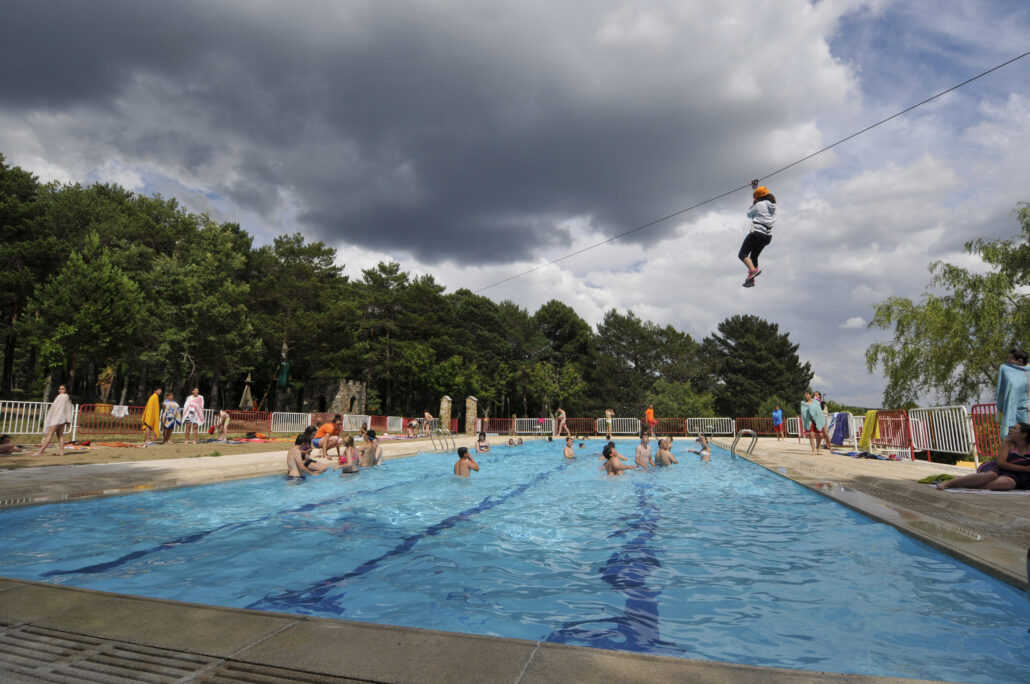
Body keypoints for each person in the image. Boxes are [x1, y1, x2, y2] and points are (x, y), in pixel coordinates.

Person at [937, 422, 1030, 491]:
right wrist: (1025, 468)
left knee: (1008, 484)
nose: (1011, 430)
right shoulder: (1008, 443)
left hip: (1013, 475)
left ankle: (968, 485)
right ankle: (949, 483)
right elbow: (1001, 463)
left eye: (1014, 428)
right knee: (991, 475)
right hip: (995, 467)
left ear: (1023, 434)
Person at [740, 183, 776, 287]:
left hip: (756, 233)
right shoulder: (773, 207)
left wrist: (754, 202)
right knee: (754, 256)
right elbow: (760, 202)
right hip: (767, 237)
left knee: (742, 254)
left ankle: (753, 271)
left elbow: (749, 214)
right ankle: (752, 280)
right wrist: (755, 190)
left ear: (758, 198)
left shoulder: (759, 205)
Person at [32, 384, 75, 457]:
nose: (60, 390)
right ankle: (61, 452)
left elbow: (56, 409)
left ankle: (40, 451)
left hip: (57, 418)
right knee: (60, 435)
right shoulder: (67, 397)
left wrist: (53, 418)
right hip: (63, 418)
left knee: (49, 434)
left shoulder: (61, 397)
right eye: (59, 389)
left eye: (62, 389)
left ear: (66, 390)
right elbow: (67, 409)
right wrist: (68, 419)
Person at [996, 349, 1029, 437]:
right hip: (1013, 412)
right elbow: (1002, 389)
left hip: (1026, 412)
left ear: (1020, 361)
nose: (1007, 361)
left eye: (1010, 358)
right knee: (1013, 437)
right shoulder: (1007, 371)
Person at [800, 390, 826, 456]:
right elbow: (803, 413)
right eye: (805, 394)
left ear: (811, 395)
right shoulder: (803, 403)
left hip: (817, 419)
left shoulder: (816, 402)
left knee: (820, 435)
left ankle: (818, 447)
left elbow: (819, 411)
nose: (806, 395)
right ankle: (813, 450)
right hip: (809, 420)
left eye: (807, 394)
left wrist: (820, 419)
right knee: (811, 434)